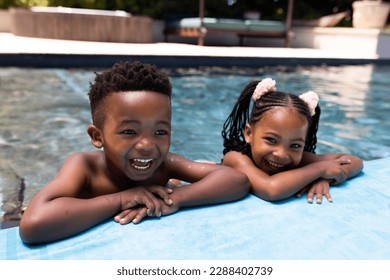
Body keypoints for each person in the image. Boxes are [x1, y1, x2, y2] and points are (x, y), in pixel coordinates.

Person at [19, 61, 250, 244]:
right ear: (97, 137)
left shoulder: (165, 164)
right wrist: (121, 199)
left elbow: (236, 180)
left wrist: (176, 199)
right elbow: (33, 225)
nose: (147, 145)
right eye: (129, 131)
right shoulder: (83, 167)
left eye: (160, 131)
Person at [221, 78, 363, 203]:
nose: (282, 154)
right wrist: (320, 169)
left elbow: (354, 161)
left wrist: (325, 178)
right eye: (271, 140)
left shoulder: (297, 159)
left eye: (295, 145)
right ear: (249, 133)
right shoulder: (236, 158)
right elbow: (271, 189)